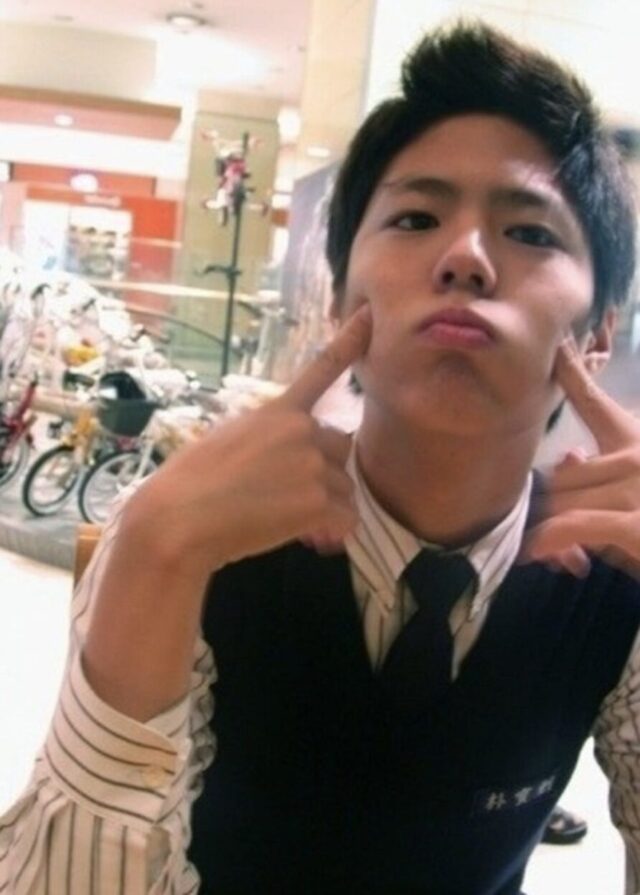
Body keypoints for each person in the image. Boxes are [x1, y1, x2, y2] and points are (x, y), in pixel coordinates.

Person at [3, 20, 640, 895]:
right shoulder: (197, 539)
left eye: (530, 232)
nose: (465, 257)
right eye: (416, 217)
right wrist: (151, 552)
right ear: (341, 302)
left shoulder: (615, 569)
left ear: (599, 333)